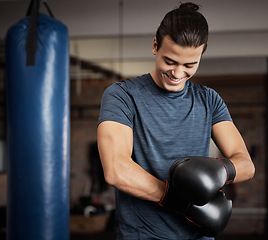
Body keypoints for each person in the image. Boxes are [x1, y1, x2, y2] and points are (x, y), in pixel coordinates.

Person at [97, 2, 255, 239]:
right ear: (155, 46)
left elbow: (246, 164)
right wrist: (183, 203)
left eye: (190, 65)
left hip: (198, 235)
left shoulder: (209, 100)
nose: (178, 73)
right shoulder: (122, 96)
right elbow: (116, 170)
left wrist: (220, 171)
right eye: (170, 61)